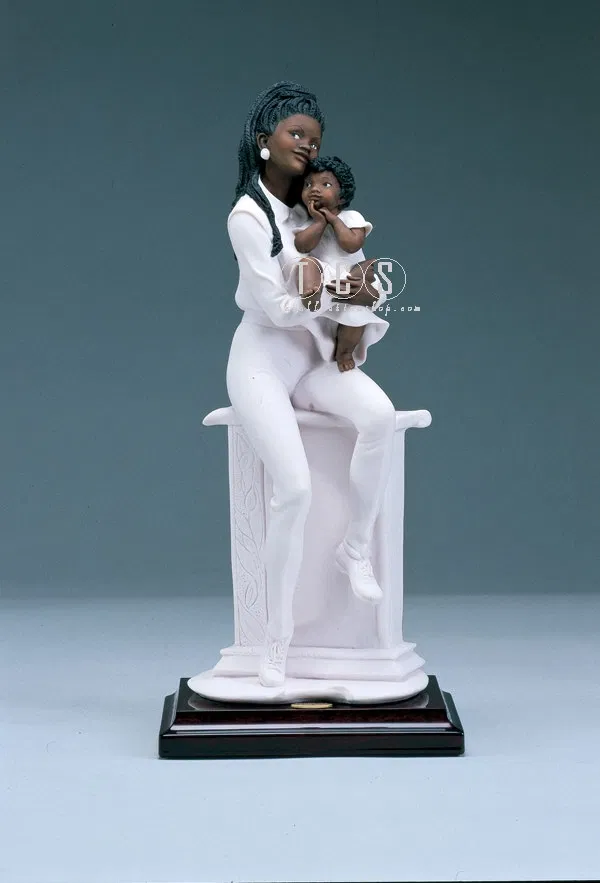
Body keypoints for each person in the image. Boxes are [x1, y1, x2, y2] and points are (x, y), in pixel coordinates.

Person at [226, 81, 397, 688]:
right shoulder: (249, 216)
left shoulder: (313, 205)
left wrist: (358, 294)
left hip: (314, 357)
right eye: (295, 134)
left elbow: (344, 265)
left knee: (379, 417)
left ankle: (355, 547)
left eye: (315, 140)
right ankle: (277, 641)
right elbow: (277, 309)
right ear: (263, 140)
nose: (307, 146)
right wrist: (341, 293)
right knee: (294, 490)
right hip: (262, 360)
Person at [292, 155, 381, 372]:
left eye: (325, 184)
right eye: (308, 184)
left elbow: (351, 244)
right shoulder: (308, 223)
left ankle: (345, 351)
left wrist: (333, 220)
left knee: (356, 319)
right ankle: (311, 294)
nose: (314, 189)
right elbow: (302, 245)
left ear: (342, 197)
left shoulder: (351, 217)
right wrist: (319, 222)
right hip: (325, 276)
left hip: (349, 277)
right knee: (307, 263)